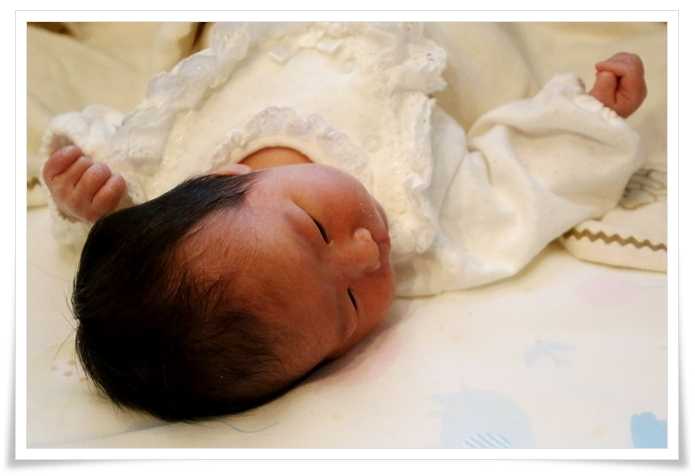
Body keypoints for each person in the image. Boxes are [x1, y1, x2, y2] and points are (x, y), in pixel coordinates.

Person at [39, 23, 647, 421]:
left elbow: (113, 169)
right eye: (352, 306)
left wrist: (83, 199)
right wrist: (587, 117)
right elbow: (517, 192)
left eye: (316, 229)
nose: (367, 253)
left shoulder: (166, 183)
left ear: (223, 177)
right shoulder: (419, 222)